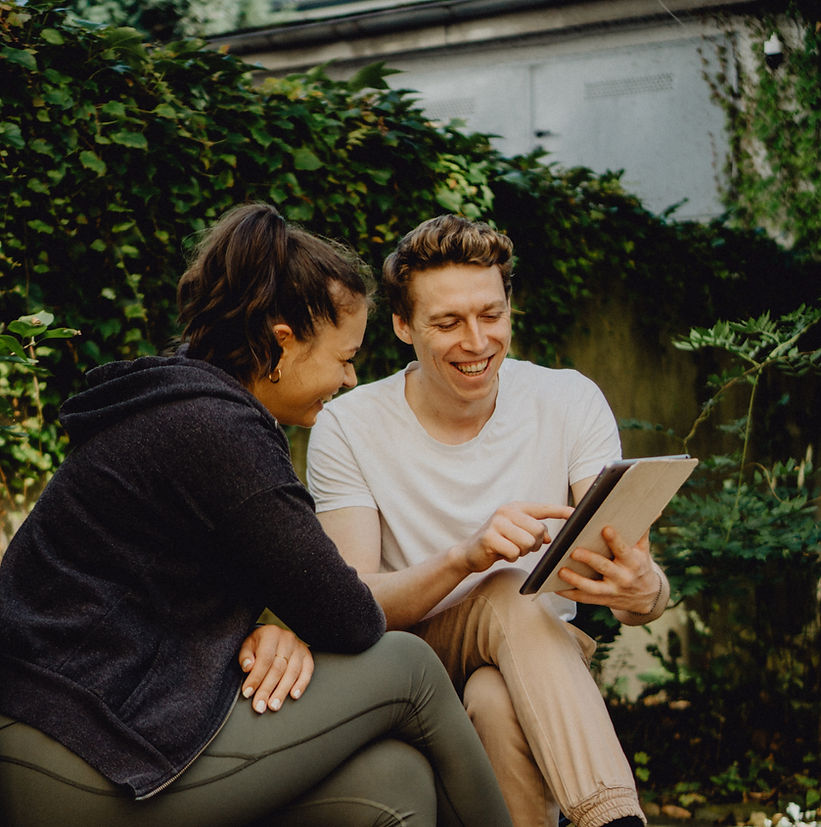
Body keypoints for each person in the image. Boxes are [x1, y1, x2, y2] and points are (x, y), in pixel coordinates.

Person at [0, 204, 514, 827]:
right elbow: (347, 616)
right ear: (283, 340)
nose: (351, 379)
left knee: (393, 784)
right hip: (75, 755)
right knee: (407, 668)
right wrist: (288, 621)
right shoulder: (214, 429)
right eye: (344, 357)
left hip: (108, 721)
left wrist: (272, 624)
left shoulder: (185, 404)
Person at [306, 214, 672, 827]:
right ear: (402, 326)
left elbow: (634, 589)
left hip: (536, 671)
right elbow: (353, 606)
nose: (476, 342)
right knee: (507, 587)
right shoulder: (349, 426)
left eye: (491, 315)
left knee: (495, 699)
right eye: (447, 322)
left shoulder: (569, 400)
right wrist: (466, 557)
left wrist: (647, 590)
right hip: (410, 661)